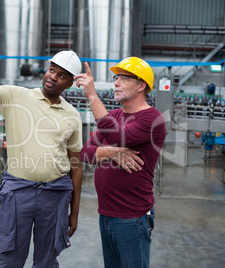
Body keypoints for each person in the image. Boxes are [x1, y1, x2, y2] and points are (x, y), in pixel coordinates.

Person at [0, 16, 83, 268]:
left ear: (69, 83)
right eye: (52, 70)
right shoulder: (17, 96)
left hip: (55, 195)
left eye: (62, 75)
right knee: (10, 257)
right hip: (18, 192)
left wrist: (74, 213)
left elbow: (76, 167)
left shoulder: (72, 116)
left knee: (47, 259)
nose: (53, 77)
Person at [76, 57, 166, 268]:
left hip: (132, 217)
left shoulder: (153, 119)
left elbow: (118, 137)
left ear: (141, 85)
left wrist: (92, 96)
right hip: (105, 213)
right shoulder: (114, 115)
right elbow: (84, 153)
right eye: (116, 77)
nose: (116, 82)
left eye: (124, 78)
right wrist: (111, 153)